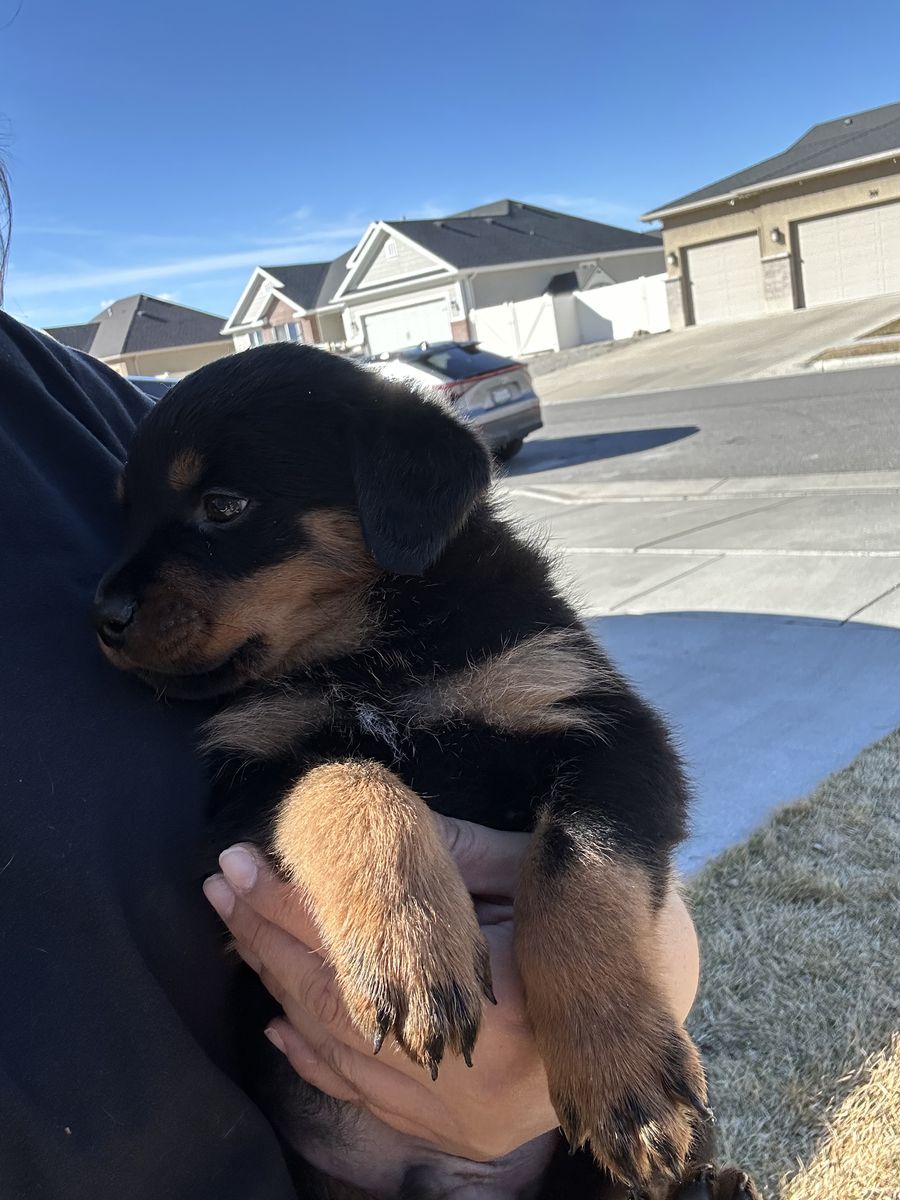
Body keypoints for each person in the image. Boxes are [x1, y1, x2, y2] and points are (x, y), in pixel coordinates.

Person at [0, 169, 700, 1199]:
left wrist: (602, 983)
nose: (123, 595)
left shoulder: (80, 407)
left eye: (224, 509)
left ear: (404, 503)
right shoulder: (257, 664)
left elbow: (622, 767)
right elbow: (257, 809)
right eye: (133, 528)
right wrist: (350, 811)